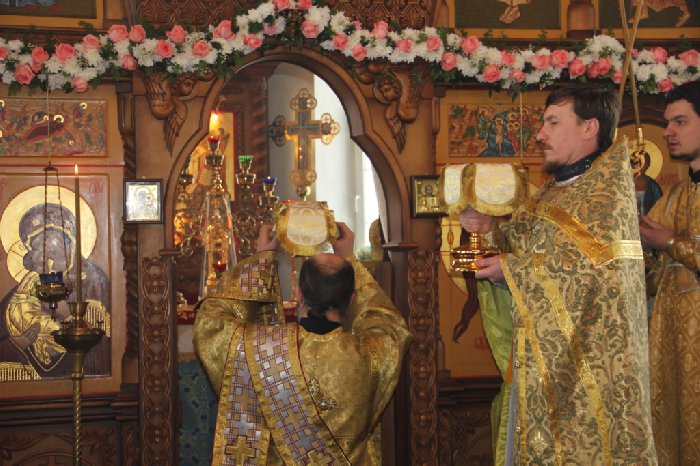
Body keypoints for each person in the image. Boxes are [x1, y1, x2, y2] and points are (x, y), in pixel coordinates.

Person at [462, 84, 656, 463]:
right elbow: (527, 247)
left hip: (590, 373)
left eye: (553, 122)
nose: (540, 134)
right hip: (542, 363)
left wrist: (511, 270)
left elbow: (591, 275)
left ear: (589, 128)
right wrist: (489, 229)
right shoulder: (552, 193)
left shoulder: (606, 195)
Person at [194, 222, 412, 465]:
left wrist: (261, 261)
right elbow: (387, 321)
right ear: (352, 298)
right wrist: (349, 258)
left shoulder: (259, 349)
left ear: (299, 294)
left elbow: (210, 321)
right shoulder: (372, 354)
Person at [640, 80, 700, 466]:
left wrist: (671, 243)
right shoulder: (675, 196)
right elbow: (651, 275)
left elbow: (669, 245)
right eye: (667, 123)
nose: (668, 132)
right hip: (671, 352)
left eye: (680, 121)